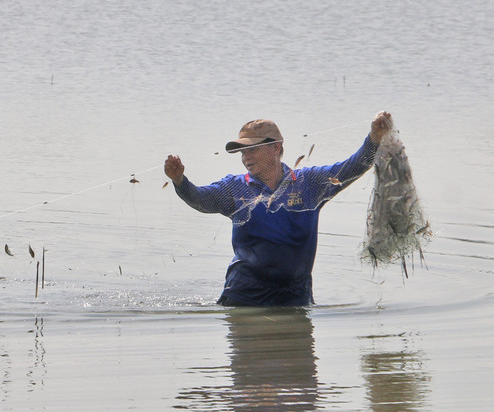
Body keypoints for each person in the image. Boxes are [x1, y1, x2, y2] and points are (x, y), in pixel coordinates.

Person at [164, 112, 393, 307]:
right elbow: (199, 199)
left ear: (275, 147)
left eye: (252, 150)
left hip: (296, 300)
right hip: (244, 300)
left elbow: (353, 166)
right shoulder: (234, 188)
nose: (246, 158)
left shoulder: (309, 184)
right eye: (242, 152)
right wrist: (179, 181)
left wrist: (375, 137)